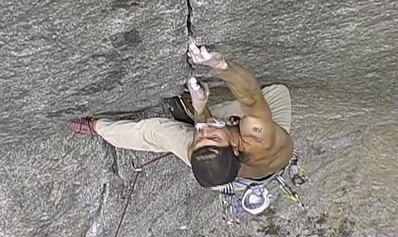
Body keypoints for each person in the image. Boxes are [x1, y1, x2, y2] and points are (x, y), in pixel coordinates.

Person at [65, 40, 294, 217]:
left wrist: (200, 110)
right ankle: (201, 112)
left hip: (218, 172)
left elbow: (203, 136)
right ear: (234, 146)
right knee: (277, 93)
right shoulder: (260, 137)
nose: (202, 132)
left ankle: (98, 127)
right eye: (210, 136)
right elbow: (252, 100)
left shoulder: (205, 154)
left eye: (198, 138)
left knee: (157, 132)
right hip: (247, 153)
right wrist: (220, 65)